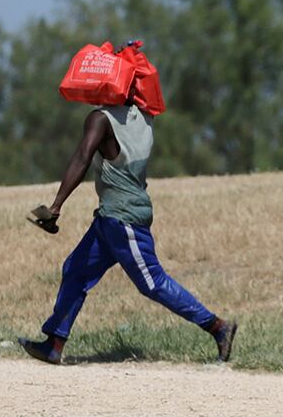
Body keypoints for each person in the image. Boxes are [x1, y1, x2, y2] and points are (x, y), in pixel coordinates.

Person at [17, 76, 236, 366]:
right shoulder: (144, 119)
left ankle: (218, 327)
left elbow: (82, 157)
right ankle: (54, 343)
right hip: (111, 218)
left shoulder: (100, 119)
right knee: (76, 270)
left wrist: (56, 206)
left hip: (123, 219)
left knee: (152, 282)